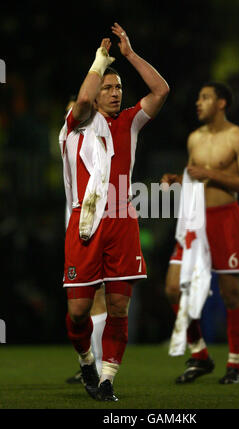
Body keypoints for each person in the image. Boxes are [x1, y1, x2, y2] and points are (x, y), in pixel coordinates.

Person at [59, 23, 169, 402]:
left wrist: (129, 55)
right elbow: (85, 101)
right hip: (85, 222)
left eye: (118, 87)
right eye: (107, 86)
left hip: (122, 219)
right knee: (77, 312)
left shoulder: (130, 122)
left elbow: (161, 91)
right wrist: (99, 60)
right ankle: (86, 360)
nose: (114, 92)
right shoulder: (73, 129)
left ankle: (106, 380)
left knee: (119, 306)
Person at [161, 82, 239, 384]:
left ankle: (235, 363)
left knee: (231, 294)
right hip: (195, 220)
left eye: (205, 97)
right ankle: (200, 353)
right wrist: (176, 179)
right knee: (173, 289)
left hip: (226, 219)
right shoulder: (194, 139)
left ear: (221, 103)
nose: (198, 103)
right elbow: (194, 176)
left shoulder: (238, 138)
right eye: (198, 97)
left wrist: (212, 174)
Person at [61, 98, 108, 385]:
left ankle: (100, 364)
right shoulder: (67, 140)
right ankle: (90, 358)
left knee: (98, 295)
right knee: (78, 306)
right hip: (74, 225)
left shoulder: (98, 137)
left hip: (98, 223)